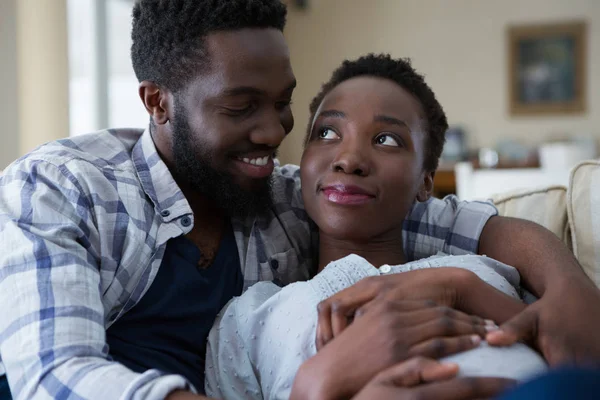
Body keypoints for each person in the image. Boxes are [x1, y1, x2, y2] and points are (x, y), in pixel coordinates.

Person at [0, 0, 598, 399]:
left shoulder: (288, 196)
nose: (272, 131)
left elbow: (458, 224)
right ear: (158, 102)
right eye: (241, 107)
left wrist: (570, 289)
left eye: (284, 102)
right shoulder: (61, 189)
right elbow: (56, 378)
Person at [204, 54, 547, 400]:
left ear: (425, 182)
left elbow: (573, 353)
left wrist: (464, 289)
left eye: (387, 139)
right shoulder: (248, 320)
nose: (349, 159)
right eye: (326, 133)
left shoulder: (480, 271)